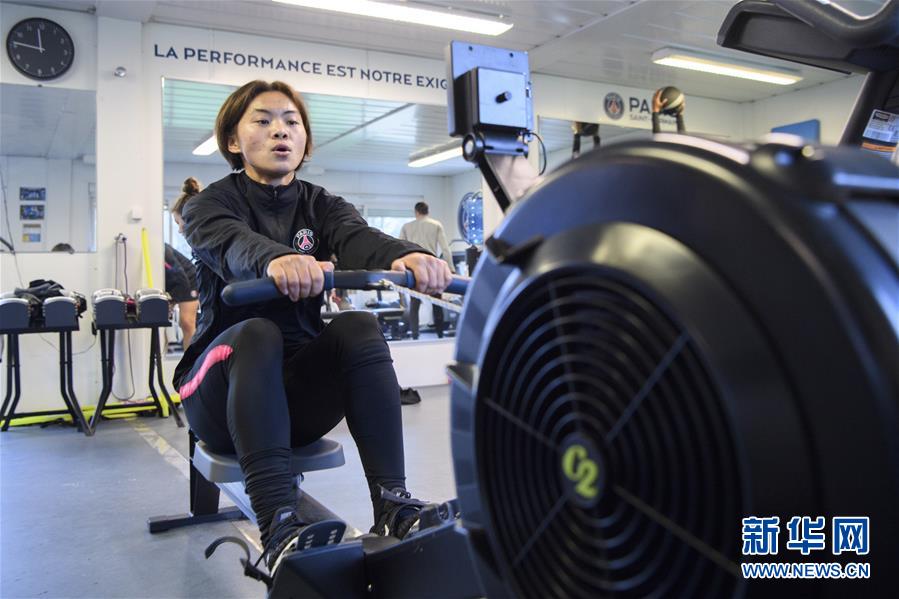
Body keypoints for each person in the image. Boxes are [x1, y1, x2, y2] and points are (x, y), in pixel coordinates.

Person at [173, 80, 452, 572]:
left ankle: (394, 506)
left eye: (291, 122)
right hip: (216, 400)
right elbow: (232, 244)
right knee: (257, 332)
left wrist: (407, 255)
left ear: (304, 140)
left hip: (294, 402)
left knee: (358, 326)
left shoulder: (321, 205)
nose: (280, 130)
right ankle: (279, 526)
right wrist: (276, 260)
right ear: (234, 141)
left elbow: (359, 237)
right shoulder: (208, 206)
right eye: (263, 120)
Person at [398, 202, 455, 339]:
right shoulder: (436, 225)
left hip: (414, 270)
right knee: (437, 304)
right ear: (427, 211)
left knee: (414, 305)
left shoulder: (407, 227)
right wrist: (451, 269)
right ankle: (440, 335)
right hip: (433, 268)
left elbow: (399, 248)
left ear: (416, 212)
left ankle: (415, 336)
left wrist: (401, 270)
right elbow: (445, 249)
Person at [165, 177, 202, 349]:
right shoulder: (197, 244)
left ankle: (192, 360)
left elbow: (178, 275)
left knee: (187, 322)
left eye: (180, 223)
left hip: (189, 280)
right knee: (185, 323)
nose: (179, 230)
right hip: (185, 281)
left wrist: (173, 300)